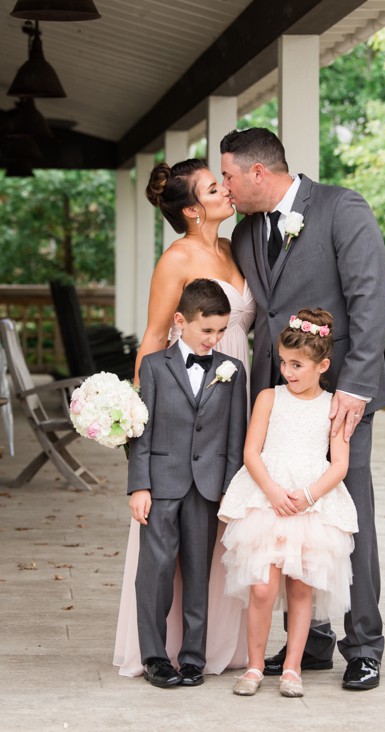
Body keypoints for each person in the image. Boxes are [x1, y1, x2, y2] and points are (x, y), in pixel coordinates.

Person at [220, 128, 385, 691]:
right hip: (277, 396)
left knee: (345, 513)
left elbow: (370, 294)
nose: (224, 186)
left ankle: (363, 645)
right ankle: (311, 642)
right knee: (286, 516)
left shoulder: (341, 207)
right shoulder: (246, 233)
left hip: (340, 392)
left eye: (228, 176)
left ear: (258, 174)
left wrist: (358, 385)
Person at [114, 159, 254, 677]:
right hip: (177, 410)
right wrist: (135, 427)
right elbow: (154, 338)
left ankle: (206, 649)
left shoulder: (233, 246)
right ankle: (157, 651)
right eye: (217, 188)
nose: (228, 192)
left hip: (232, 388)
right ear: (193, 209)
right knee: (162, 551)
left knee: (206, 550)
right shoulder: (177, 258)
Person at [219, 309, 357, 699]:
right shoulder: (268, 397)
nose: (287, 371)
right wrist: (274, 491)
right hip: (268, 499)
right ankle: (254, 665)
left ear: (323, 365)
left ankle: (293, 668)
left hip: (310, 504)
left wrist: (309, 495)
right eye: (283, 362)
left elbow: (340, 464)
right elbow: (251, 452)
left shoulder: (333, 405)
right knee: (263, 588)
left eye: (297, 364)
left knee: (301, 588)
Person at [127, 279, 248, 687]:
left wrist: (231, 488)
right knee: (156, 572)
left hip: (208, 486)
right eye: (207, 330)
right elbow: (141, 432)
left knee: (199, 572)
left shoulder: (233, 372)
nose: (214, 340)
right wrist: (139, 485)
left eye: (221, 332)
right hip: (161, 484)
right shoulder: (155, 366)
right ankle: (155, 657)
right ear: (181, 321)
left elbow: (235, 435)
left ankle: (193, 656)